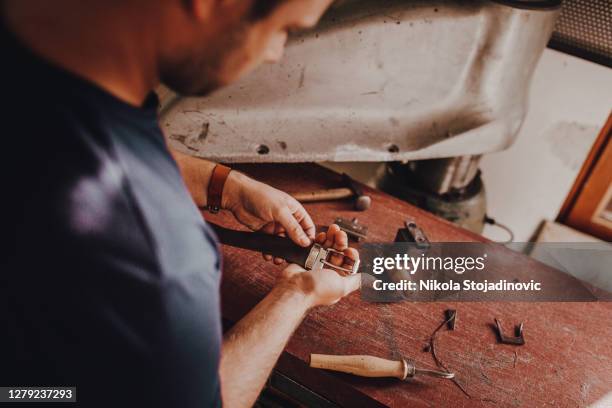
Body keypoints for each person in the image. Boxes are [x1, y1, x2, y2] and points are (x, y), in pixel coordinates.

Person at [0, 0, 361, 406]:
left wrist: (226, 186)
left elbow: (82, 132)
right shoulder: (160, 261)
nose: (275, 52)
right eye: (285, 29)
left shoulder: (34, 41)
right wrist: (298, 291)